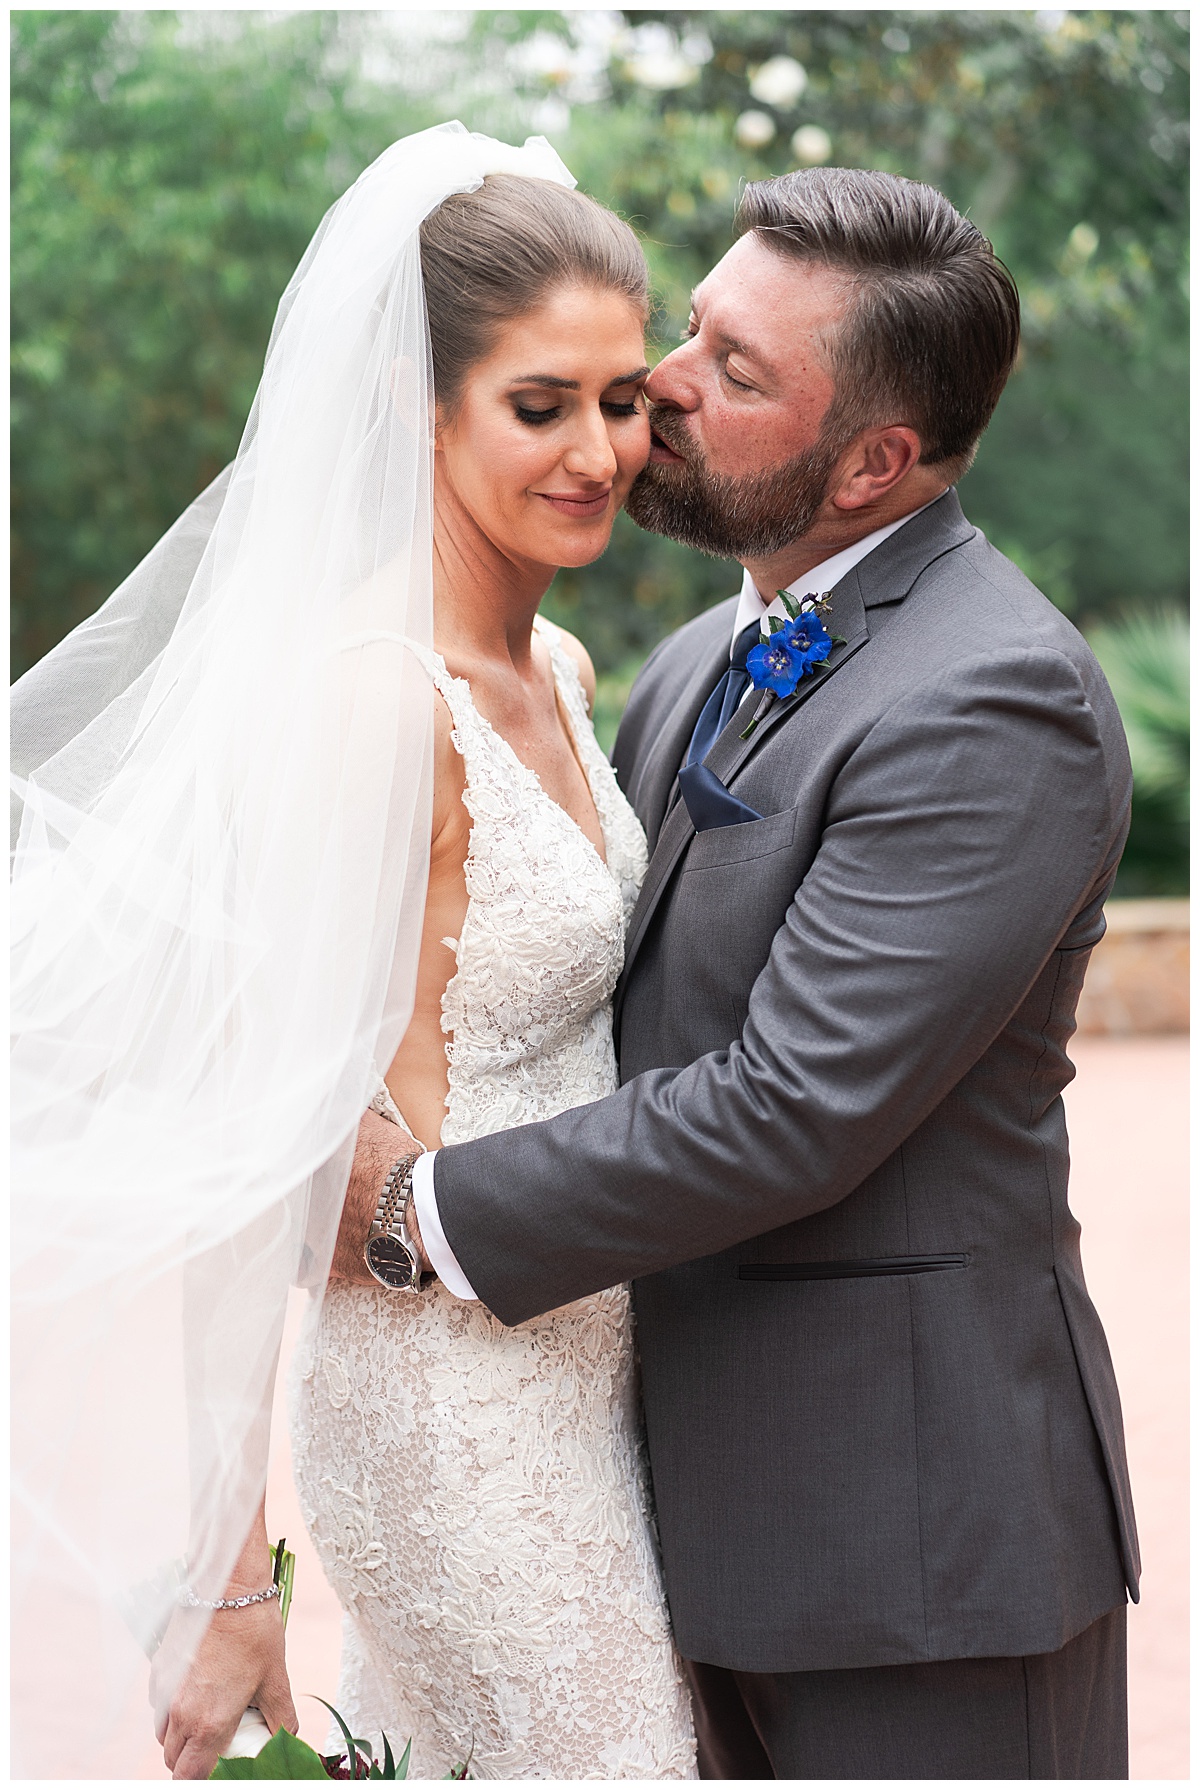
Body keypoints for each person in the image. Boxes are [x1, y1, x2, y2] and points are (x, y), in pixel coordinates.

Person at [335, 167, 1140, 1779]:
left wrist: (412, 1212)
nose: (663, 388)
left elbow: (791, 1104)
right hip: (648, 1509)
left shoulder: (1000, 697)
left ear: (876, 464)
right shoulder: (702, 654)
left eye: (734, 372)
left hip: (915, 1552)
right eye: (696, 328)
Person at [11, 126, 692, 1782]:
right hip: (455, 1420)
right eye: (541, 404)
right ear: (418, 397)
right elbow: (247, 1154)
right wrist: (235, 1577)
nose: (598, 450)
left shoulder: (572, 667)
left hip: (599, 1390)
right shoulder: (366, 701)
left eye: (622, 400)